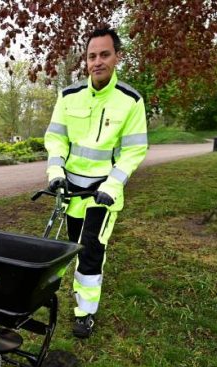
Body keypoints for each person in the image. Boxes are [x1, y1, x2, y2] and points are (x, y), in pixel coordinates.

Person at [44, 28, 148, 339]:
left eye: (104, 54)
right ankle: (45, 295)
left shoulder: (130, 101)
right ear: (85, 61)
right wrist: (55, 173)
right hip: (70, 191)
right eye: (92, 56)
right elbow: (56, 138)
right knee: (63, 249)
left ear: (117, 57)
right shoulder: (68, 96)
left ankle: (84, 313)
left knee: (90, 253)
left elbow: (133, 150)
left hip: (102, 195)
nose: (97, 61)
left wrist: (113, 186)